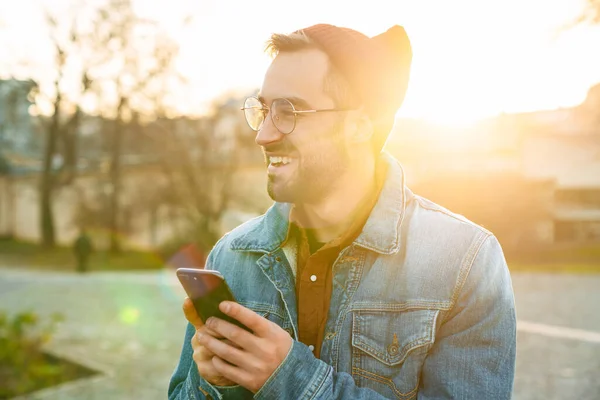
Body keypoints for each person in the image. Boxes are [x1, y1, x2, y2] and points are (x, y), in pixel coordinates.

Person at [168, 23, 516, 400]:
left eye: (288, 110)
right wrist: (213, 384)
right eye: (264, 109)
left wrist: (292, 378)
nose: (263, 135)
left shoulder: (465, 262)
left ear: (361, 124)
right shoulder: (231, 257)